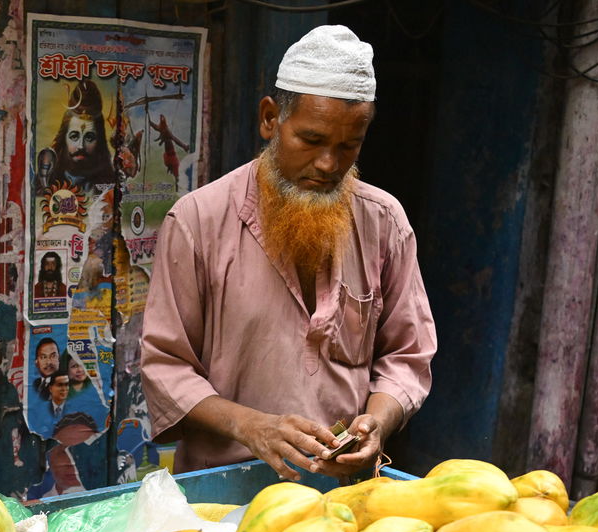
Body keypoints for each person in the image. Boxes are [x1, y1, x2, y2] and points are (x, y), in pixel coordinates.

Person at [140, 25, 436, 481]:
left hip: (341, 490)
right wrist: (252, 426)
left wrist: (379, 421)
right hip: (219, 487)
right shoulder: (198, 221)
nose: (328, 164)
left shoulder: (385, 222)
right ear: (270, 118)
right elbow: (166, 366)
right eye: (312, 140)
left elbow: (407, 357)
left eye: (348, 146)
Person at [47, 78, 117, 190]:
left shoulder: (112, 186)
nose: (81, 146)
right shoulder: (45, 183)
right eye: (74, 136)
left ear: (99, 142)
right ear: (63, 138)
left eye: (89, 138)